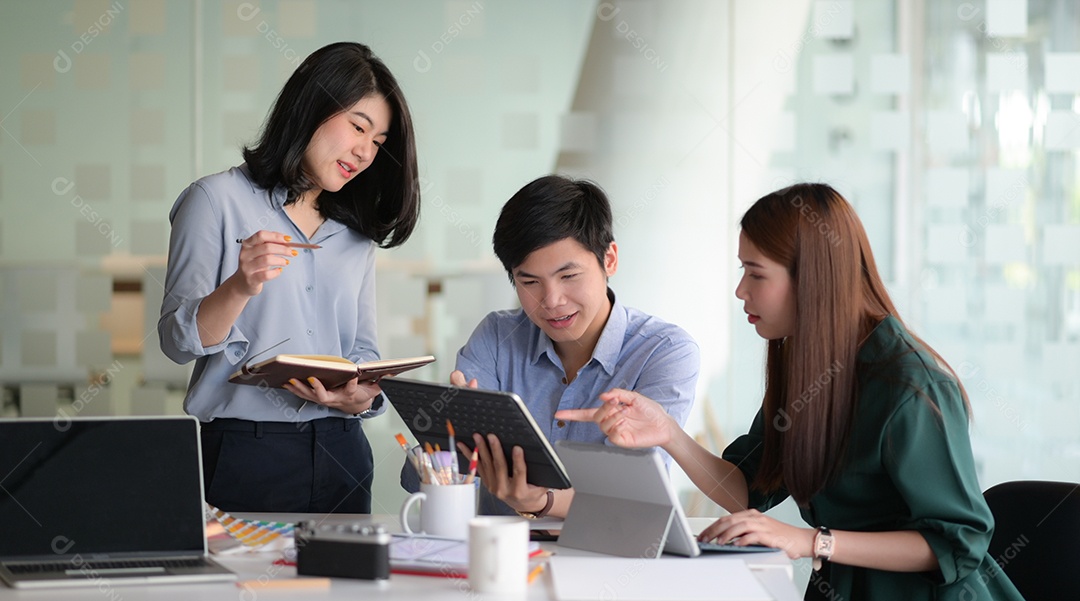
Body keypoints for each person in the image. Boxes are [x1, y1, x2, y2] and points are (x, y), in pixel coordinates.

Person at [557, 184, 1028, 601]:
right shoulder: (808, 363)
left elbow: (960, 542)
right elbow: (746, 490)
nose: (740, 290)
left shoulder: (910, 388)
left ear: (812, 279)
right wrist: (667, 434)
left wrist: (812, 541)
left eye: (755, 274)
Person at [159, 42, 420, 514]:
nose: (365, 152)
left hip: (343, 451)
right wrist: (240, 285)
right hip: (245, 453)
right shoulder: (215, 201)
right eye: (358, 128)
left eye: (378, 143)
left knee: (344, 589)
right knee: (240, 587)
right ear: (312, 109)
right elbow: (178, 343)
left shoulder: (355, 231)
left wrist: (360, 398)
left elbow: (362, 349)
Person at [403, 175, 699, 518]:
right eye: (529, 282)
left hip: (610, 558)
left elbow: (634, 498)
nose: (552, 301)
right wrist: (449, 442)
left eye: (569, 276)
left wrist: (542, 501)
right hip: (499, 556)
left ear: (610, 260)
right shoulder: (497, 338)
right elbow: (434, 477)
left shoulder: (664, 352)